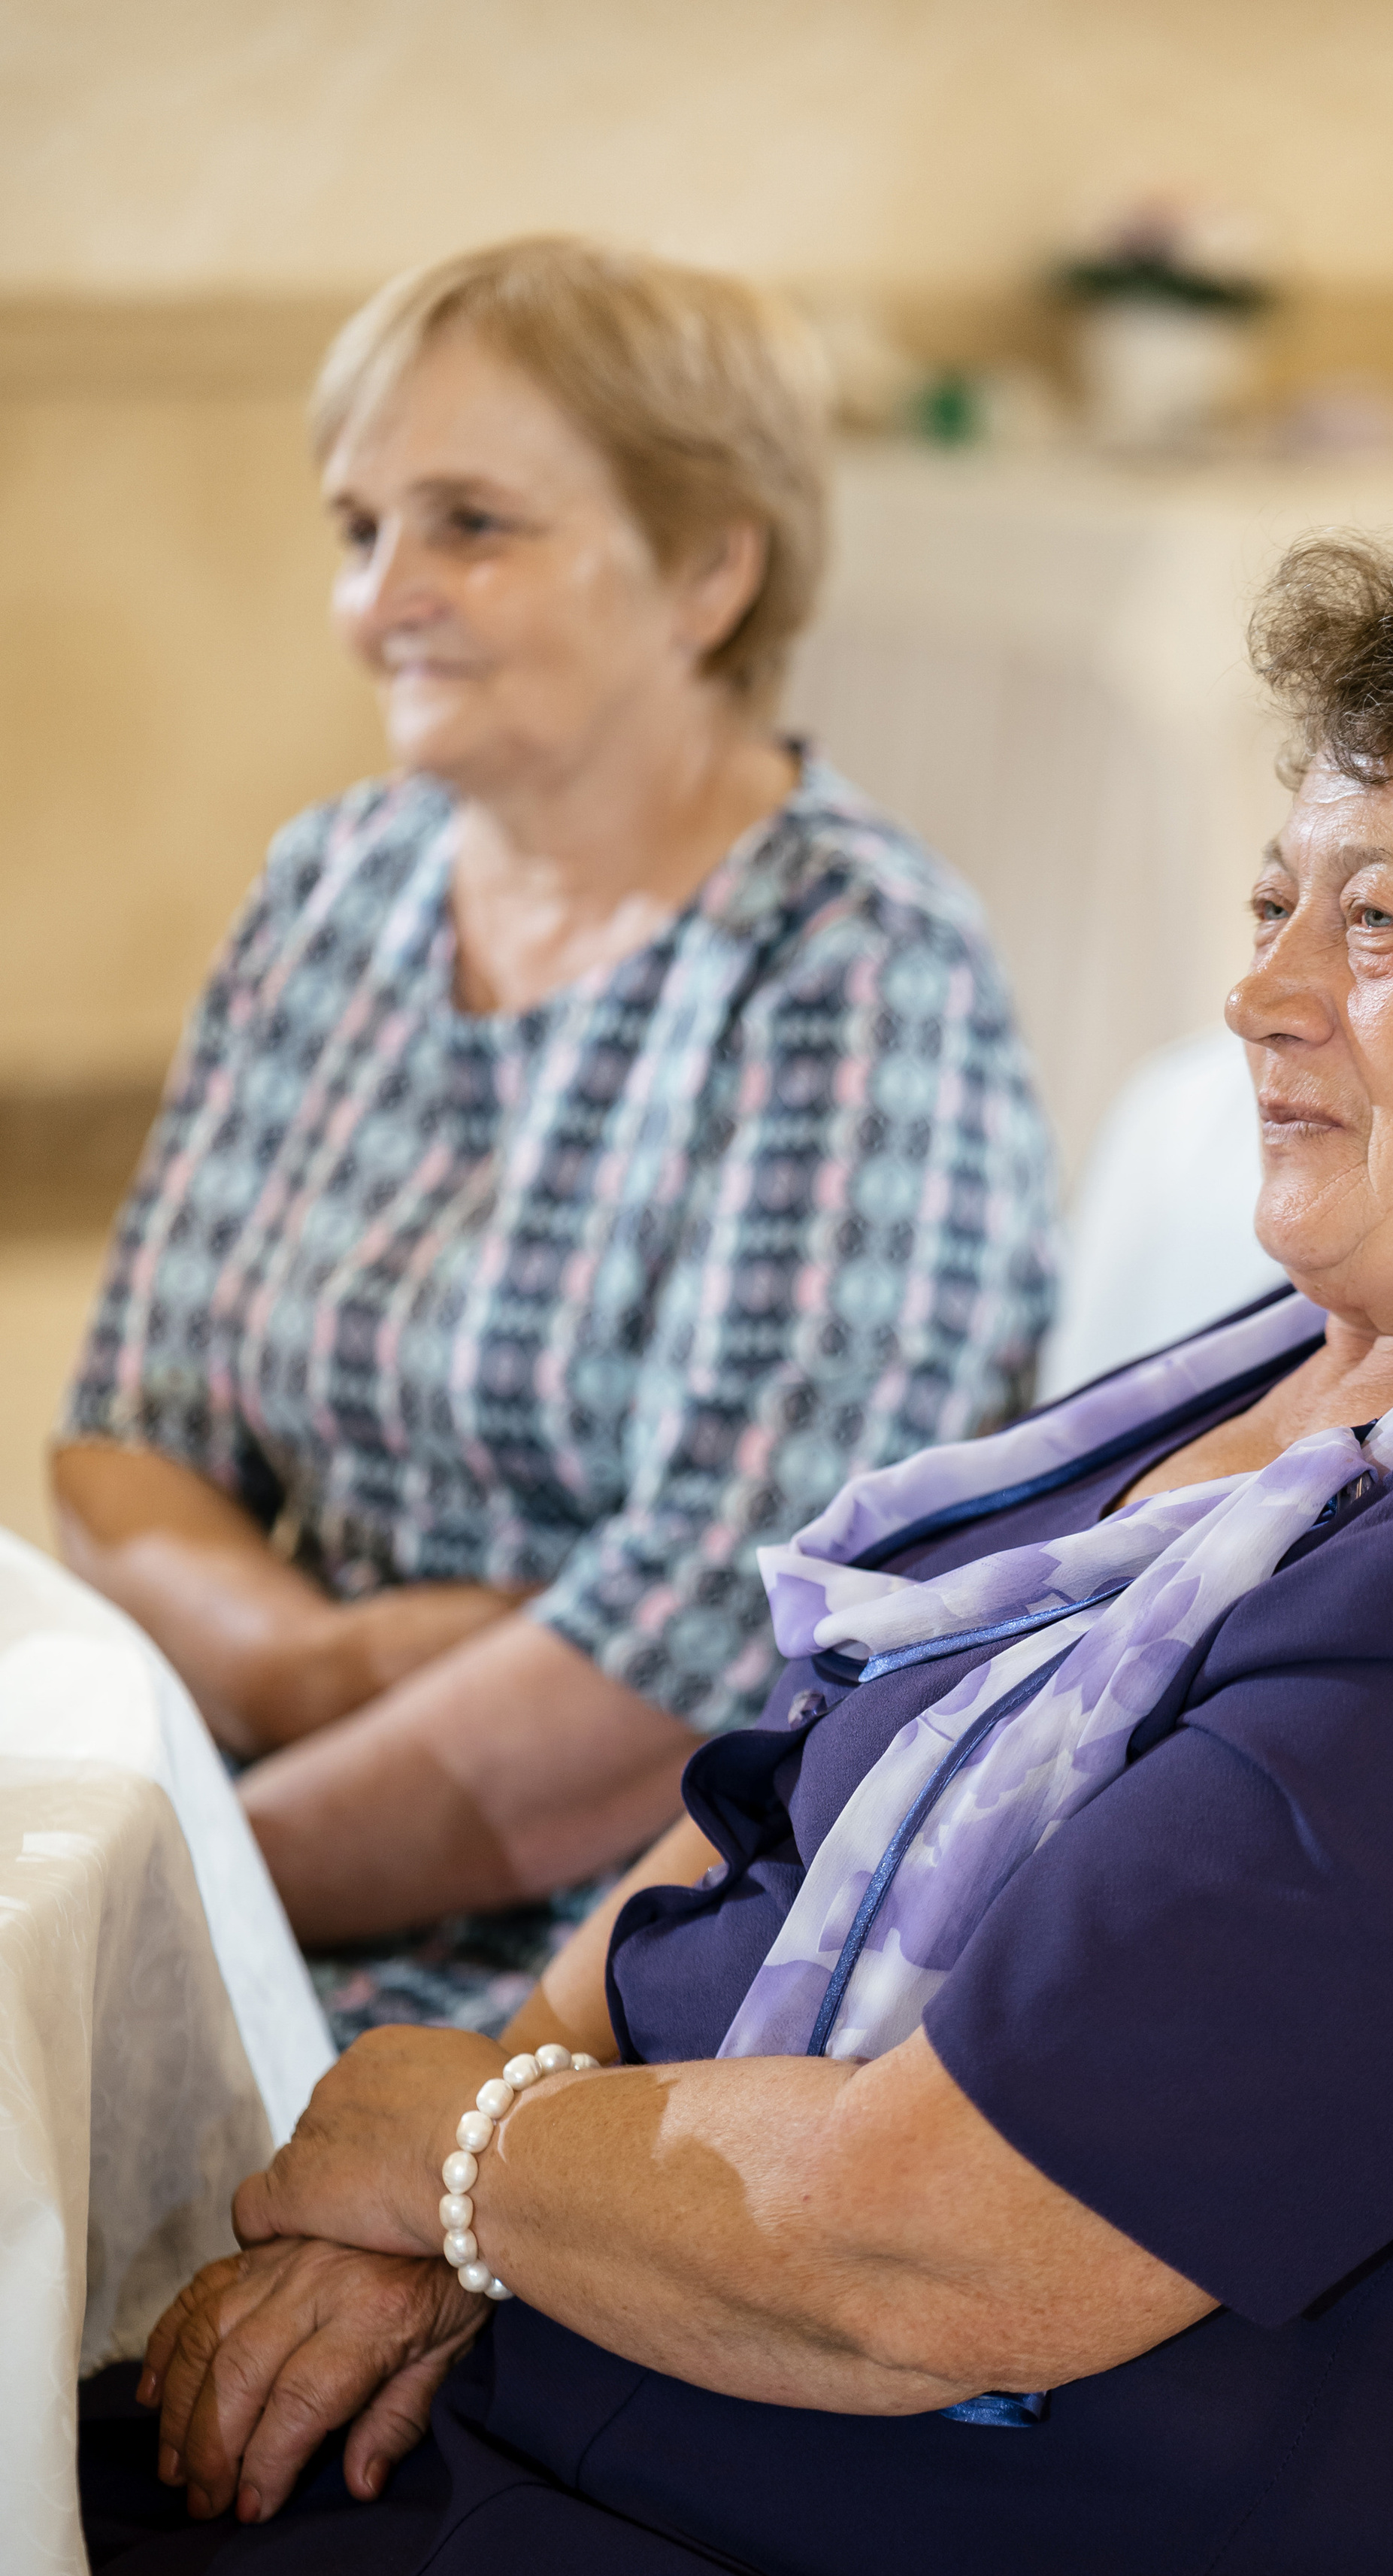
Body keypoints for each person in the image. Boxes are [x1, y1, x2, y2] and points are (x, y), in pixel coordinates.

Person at [8, 536, 1393, 2576]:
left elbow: (939, 2251)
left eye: (1378, 925)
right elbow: (768, 1802)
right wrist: (450, 2195)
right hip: (648, 2473)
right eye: (1272, 902)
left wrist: (461, 2157)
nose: (1260, 992)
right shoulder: (1299, 1388)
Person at [48, 236, 1056, 2041]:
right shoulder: (337, 880)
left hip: (608, 1937)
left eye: (470, 527)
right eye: (360, 529)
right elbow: (128, 1448)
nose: (382, 597)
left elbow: (705, 1663)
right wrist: (311, 1665)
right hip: (253, 1791)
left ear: (708, 572)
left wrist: (146, 1898)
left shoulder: (850, 964)